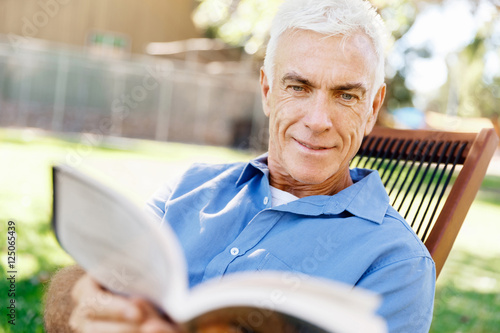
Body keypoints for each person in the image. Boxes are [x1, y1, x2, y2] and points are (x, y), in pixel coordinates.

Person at [44, 0, 435, 332]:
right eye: (298, 87)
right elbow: (95, 280)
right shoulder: (189, 186)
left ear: (372, 109)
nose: (318, 120)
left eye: (346, 95)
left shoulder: (398, 264)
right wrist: (77, 300)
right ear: (267, 91)